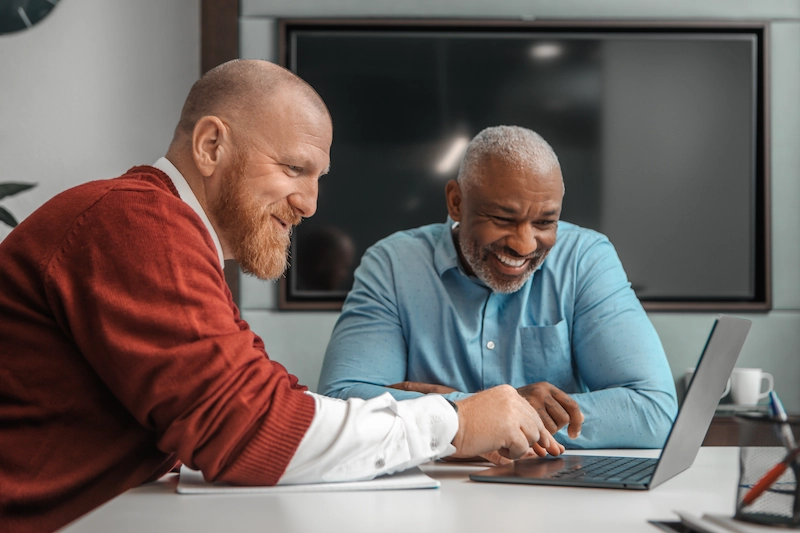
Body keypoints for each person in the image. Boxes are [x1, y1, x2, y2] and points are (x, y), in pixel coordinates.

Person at [0, 62, 563, 533]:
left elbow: (270, 399)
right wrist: (451, 423)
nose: (310, 204)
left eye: (318, 178)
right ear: (211, 145)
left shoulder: (169, 235)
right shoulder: (137, 223)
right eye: (294, 168)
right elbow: (252, 430)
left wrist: (441, 434)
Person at [319, 125, 678, 452]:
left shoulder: (585, 259)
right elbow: (342, 402)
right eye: (503, 219)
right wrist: (475, 414)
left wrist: (459, 413)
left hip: (557, 489)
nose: (524, 245)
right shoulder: (393, 265)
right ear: (456, 202)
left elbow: (654, 412)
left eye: (544, 222)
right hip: (437, 490)